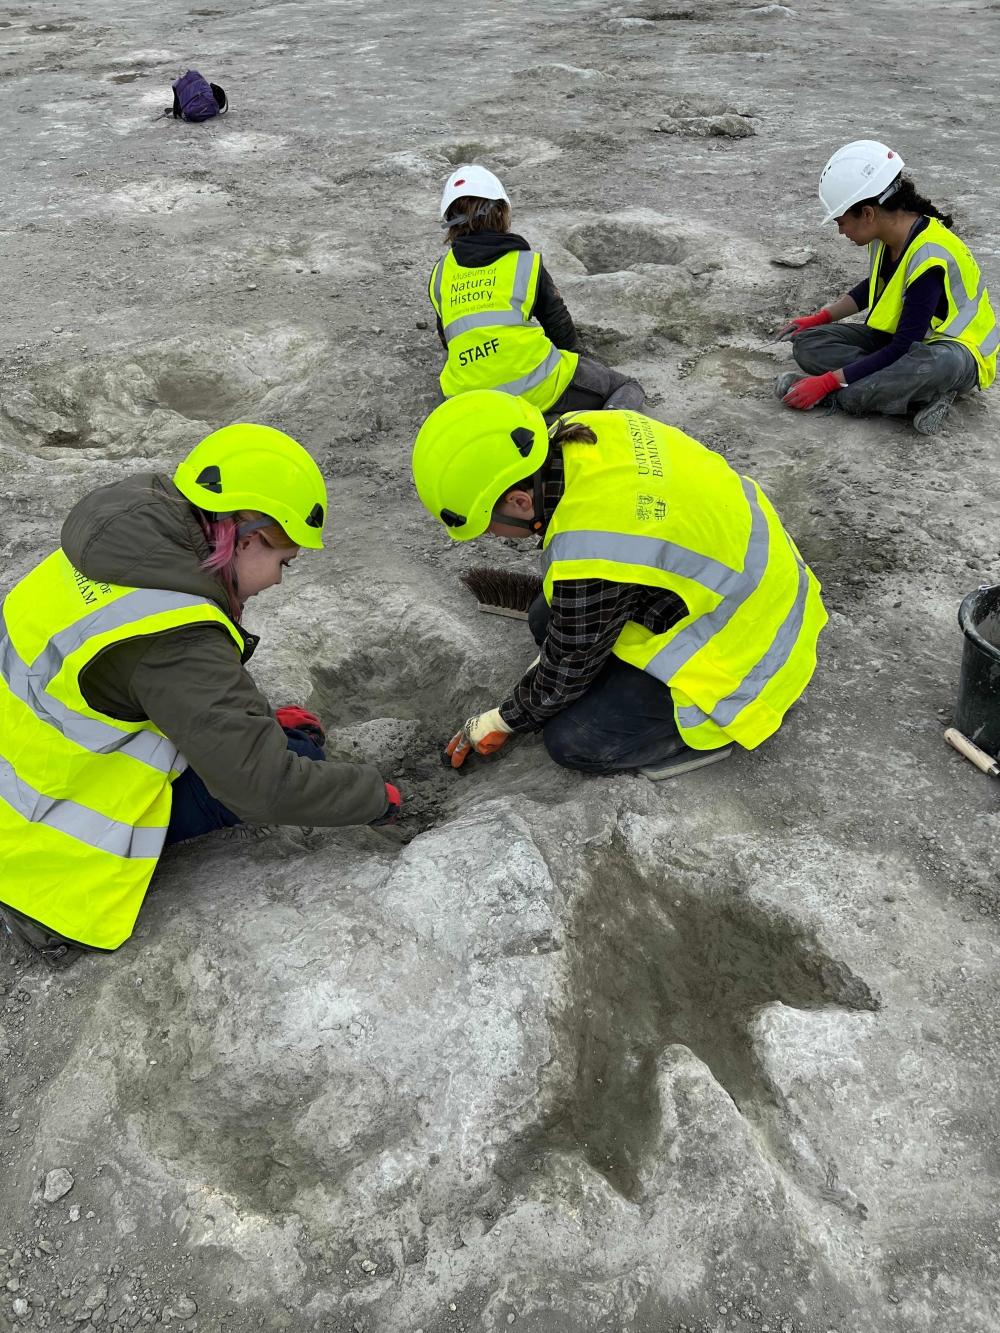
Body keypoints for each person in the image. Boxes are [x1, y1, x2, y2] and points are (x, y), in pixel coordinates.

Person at [0, 424, 399, 968]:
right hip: (49, 849)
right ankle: (44, 908)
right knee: (298, 758)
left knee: (275, 740)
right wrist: (372, 795)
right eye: (284, 561)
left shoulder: (121, 545)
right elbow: (262, 787)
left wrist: (255, 721)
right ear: (250, 535)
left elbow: (154, 687)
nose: (280, 581)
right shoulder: (174, 635)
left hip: (30, 771)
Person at [411, 392, 827, 778]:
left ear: (520, 502)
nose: (495, 537)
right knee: (546, 616)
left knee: (574, 742)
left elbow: (567, 667)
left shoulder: (593, 546)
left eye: (490, 526)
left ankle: (701, 740)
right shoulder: (587, 428)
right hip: (745, 576)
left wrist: (502, 720)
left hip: (750, 645)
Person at [774, 140, 997, 435]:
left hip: (953, 353)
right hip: (901, 344)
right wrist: (819, 319)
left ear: (867, 213)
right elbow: (874, 286)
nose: (840, 231)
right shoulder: (885, 237)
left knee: (912, 371)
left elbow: (904, 347)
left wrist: (827, 382)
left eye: (841, 221)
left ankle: (858, 393)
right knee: (807, 344)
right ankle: (904, 391)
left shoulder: (930, 256)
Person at [428, 164, 645, 418]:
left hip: (468, 399)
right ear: (500, 212)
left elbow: (449, 341)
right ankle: (605, 429)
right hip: (537, 388)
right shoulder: (524, 263)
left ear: (450, 223)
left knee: (447, 401)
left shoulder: (441, 274)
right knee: (626, 386)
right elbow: (562, 333)